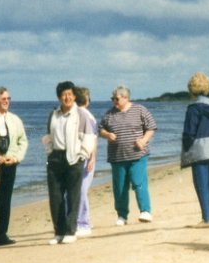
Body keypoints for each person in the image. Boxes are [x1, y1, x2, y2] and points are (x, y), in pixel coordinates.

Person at [43, 81, 96, 244]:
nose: (67, 98)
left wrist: (83, 155)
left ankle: (71, 231)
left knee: (73, 196)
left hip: (74, 157)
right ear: (59, 97)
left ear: (74, 96)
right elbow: (48, 136)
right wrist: (50, 152)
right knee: (55, 196)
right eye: (63, 95)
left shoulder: (81, 114)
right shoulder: (53, 115)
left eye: (70, 94)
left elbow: (89, 136)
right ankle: (59, 232)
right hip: (55, 158)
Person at [99, 85, 158, 225]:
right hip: (117, 157)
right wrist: (107, 134)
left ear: (126, 97)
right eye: (112, 98)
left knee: (138, 182)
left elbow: (151, 127)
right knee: (120, 187)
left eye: (116, 98)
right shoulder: (109, 114)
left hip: (138, 155)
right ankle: (122, 215)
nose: (114, 101)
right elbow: (100, 129)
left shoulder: (140, 110)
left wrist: (143, 140)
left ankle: (145, 211)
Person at [0, 87, 28, 247]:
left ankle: (2, 235)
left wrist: (16, 157)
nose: (6, 101)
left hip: (10, 164)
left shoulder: (15, 120)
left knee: (6, 200)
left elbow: (23, 141)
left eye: (8, 98)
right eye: (3, 98)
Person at [180, 72, 209, 227]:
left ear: (191, 89)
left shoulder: (193, 108)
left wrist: (187, 148)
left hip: (199, 150)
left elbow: (189, 131)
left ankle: (206, 219)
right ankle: (208, 217)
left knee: (201, 185)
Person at [74, 86, 98, 237]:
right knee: (79, 190)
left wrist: (92, 158)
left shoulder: (84, 115)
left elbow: (92, 139)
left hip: (84, 157)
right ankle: (82, 221)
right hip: (82, 157)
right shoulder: (85, 115)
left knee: (80, 190)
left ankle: (83, 222)